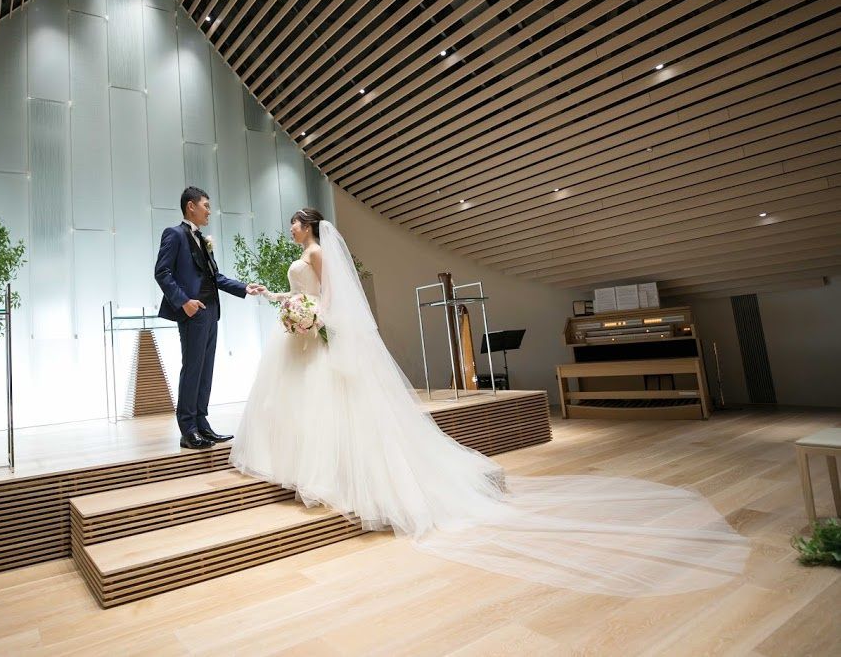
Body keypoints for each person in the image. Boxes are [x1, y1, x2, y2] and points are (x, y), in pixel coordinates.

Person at [231, 208, 750, 597]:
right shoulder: (302, 258)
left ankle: (340, 474)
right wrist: (280, 299)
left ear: (308, 226)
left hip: (316, 333)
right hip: (303, 335)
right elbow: (305, 295)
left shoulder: (317, 253)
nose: (291, 229)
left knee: (331, 405)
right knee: (306, 406)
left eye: (294, 223)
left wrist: (314, 315)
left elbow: (331, 299)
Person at [155, 186, 265, 450]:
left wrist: (244, 288)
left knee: (205, 370)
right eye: (206, 205)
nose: (209, 211)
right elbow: (162, 272)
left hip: (210, 312)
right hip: (192, 312)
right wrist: (184, 302)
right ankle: (188, 430)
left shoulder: (203, 240)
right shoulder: (174, 234)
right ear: (191, 206)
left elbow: (215, 277)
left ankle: (201, 424)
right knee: (193, 368)